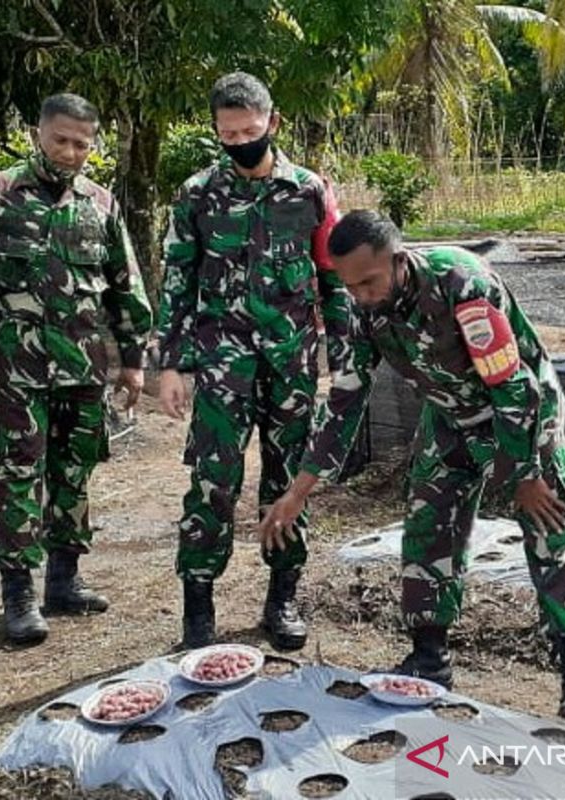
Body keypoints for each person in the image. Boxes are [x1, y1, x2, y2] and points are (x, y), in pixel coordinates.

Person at [259, 210, 565, 720]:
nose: (360, 295)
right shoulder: (359, 307)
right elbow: (346, 399)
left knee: (548, 527)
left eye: (369, 281)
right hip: (451, 415)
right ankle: (429, 657)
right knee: (427, 523)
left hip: (523, 415)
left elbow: (514, 389)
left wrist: (524, 476)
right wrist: (298, 492)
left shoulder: (462, 284)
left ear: (399, 260)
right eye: (348, 285)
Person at [0, 93, 153, 644]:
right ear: (38, 132)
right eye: (61, 139)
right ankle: (17, 593)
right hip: (16, 369)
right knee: (16, 474)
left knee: (74, 472)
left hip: (83, 368)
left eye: (81, 144)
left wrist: (132, 362)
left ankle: (64, 580)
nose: (70, 152)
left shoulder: (101, 204)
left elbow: (124, 287)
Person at [156, 72, 348, 651]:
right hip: (221, 367)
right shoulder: (196, 195)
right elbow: (177, 281)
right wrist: (171, 363)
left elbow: (333, 279)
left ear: (273, 123)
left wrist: (341, 356)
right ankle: (198, 608)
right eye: (228, 132)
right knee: (212, 482)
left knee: (287, 481)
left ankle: (282, 598)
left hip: (292, 364)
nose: (240, 140)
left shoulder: (310, 192)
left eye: (250, 129)